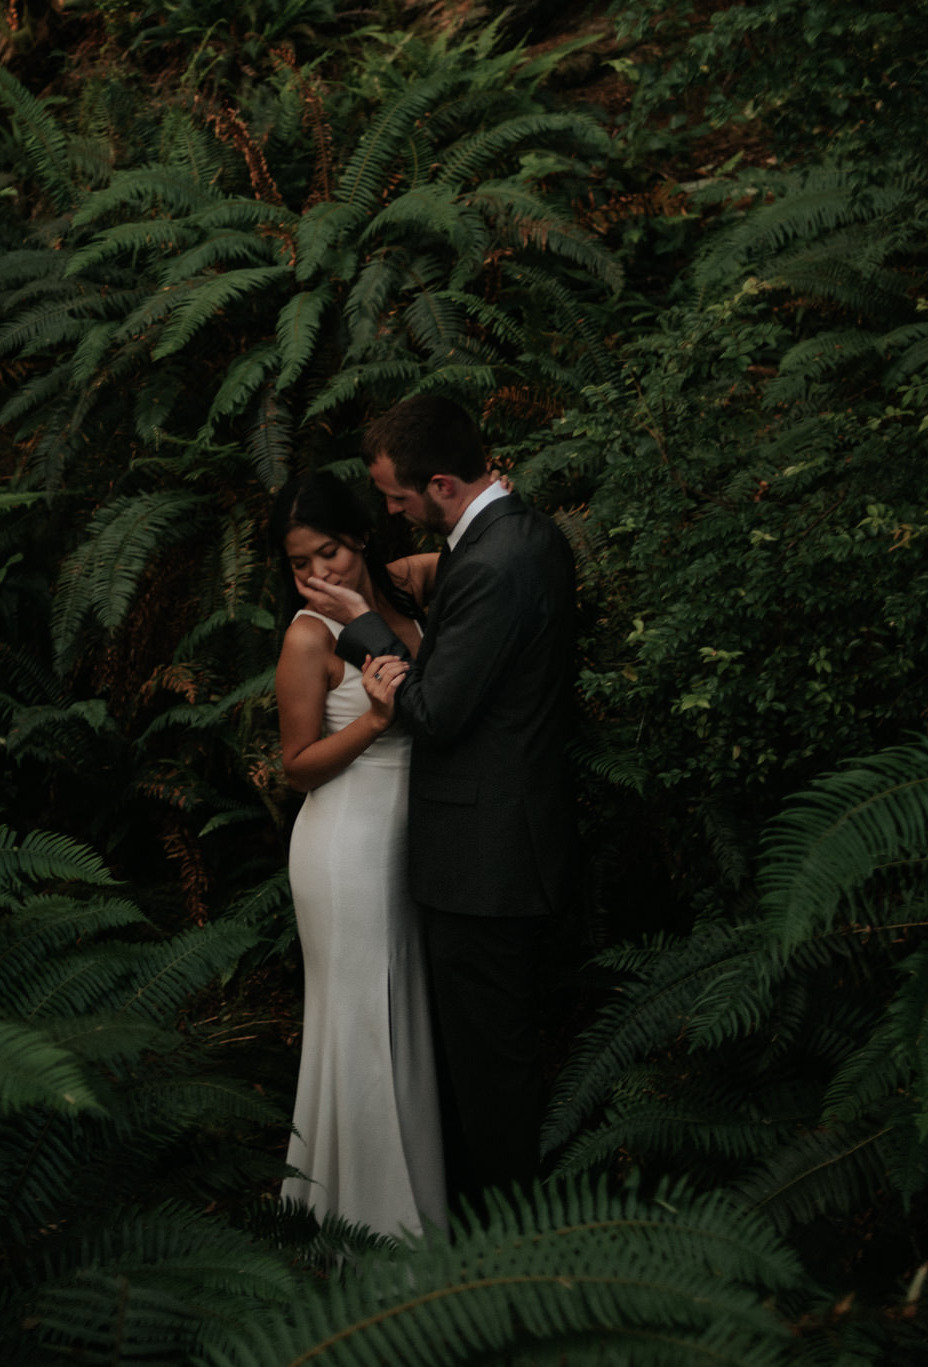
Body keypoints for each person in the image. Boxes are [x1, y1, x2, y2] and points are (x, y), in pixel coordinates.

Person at [299, 396, 576, 1214]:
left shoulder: (491, 564)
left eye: (397, 497)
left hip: (483, 861)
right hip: (505, 842)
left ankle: (505, 1248)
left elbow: (433, 711)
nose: (390, 513)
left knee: (491, 1071)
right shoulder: (517, 534)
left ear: (445, 484)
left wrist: (362, 628)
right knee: (487, 1059)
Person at [270, 471, 448, 1237]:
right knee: (360, 1025)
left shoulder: (405, 591)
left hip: (411, 843)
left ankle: (404, 1214)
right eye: (301, 564)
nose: (318, 575)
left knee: (401, 1016)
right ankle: (372, 1231)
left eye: (331, 552)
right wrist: (375, 722)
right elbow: (296, 764)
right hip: (344, 845)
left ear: (365, 538)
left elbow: (473, 548)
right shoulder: (308, 634)